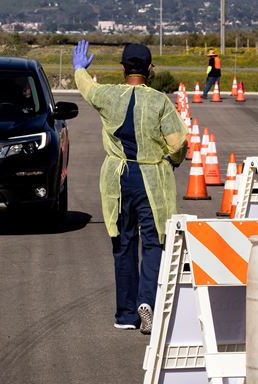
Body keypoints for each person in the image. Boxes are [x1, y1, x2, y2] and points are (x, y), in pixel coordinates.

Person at [73, 40, 189, 334]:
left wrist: (79, 69)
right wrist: (172, 158)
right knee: (154, 242)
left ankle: (126, 314)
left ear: (123, 68)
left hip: (118, 177)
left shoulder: (108, 96)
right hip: (152, 177)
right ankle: (147, 300)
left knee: (123, 243)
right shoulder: (160, 101)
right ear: (150, 70)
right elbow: (178, 143)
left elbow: (87, 89)